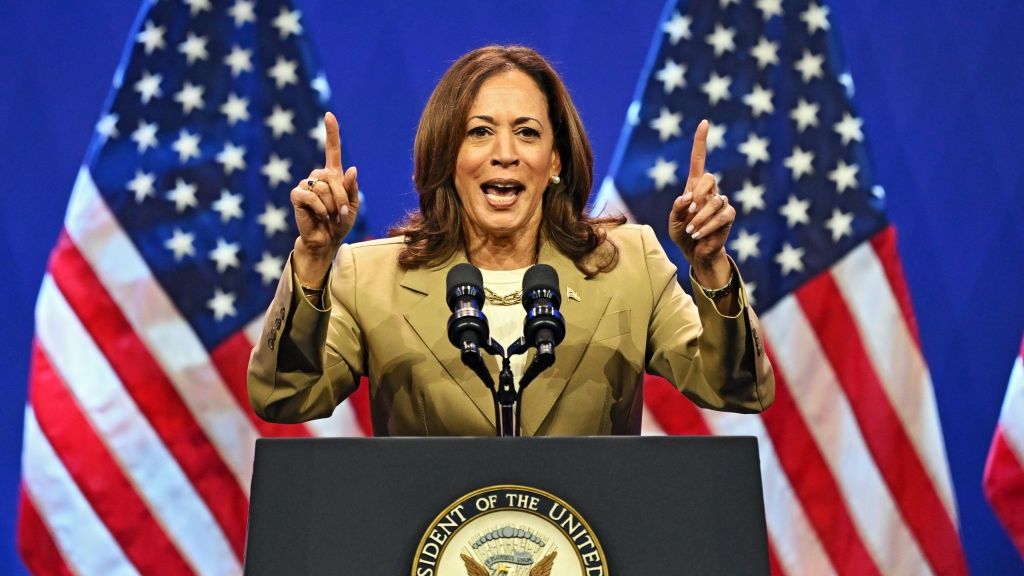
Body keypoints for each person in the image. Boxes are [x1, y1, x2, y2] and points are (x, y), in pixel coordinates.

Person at [247, 45, 774, 436]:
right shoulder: (372, 278)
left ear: (555, 160)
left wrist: (711, 267)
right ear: (448, 157)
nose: (505, 153)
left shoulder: (629, 265)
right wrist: (313, 258)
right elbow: (284, 396)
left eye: (527, 132)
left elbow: (737, 388)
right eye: (479, 132)